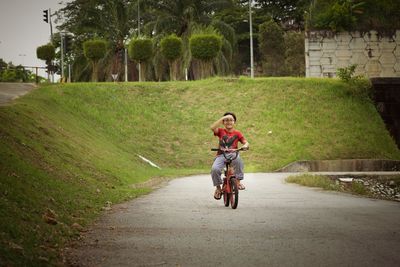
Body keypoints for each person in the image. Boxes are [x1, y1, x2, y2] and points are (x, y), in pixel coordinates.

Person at [210, 112, 249, 200]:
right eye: (226, 120)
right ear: (223, 122)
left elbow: (245, 142)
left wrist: (245, 145)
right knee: (214, 169)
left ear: (234, 122)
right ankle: (218, 188)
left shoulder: (237, 133)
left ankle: (238, 182)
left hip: (233, 153)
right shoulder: (220, 131)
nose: (229, 122)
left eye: (231, 120)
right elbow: (212, 127)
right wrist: (222, 118)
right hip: (221, 155)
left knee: (238, 160)